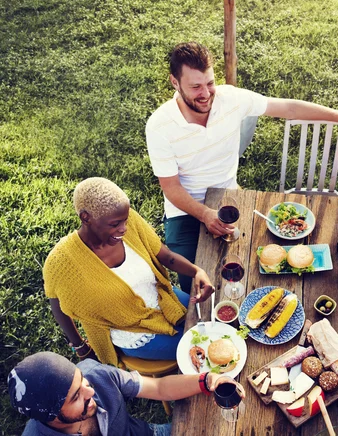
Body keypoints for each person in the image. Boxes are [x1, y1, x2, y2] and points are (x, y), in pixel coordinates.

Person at [146, 41, 338, 292]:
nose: (206, 94)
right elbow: (171, 188)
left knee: (252, 263)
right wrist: (205, 214)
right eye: (195, 87)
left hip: (228, 194)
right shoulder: (159, 126)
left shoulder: (230, 99)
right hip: (184, 209)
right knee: (194, 281)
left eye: (210, 83)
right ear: (175, 83)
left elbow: (289, 107)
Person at [43, 177, 214, 367]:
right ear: (86, 218)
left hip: (164, 299)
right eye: (115, 224)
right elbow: (57, 304)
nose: (124, 228)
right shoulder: (62, 261)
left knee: (213, 325)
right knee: (203, 350)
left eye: (125, 220)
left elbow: (165, 256)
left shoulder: (128, 220)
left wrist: (196, 271)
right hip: (133, 331)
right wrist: (80, 347)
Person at [8, 351, 245, 435]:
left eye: (82, 382)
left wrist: (209, 379)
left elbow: (160, 387)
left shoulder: (96, 374)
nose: (90, 391)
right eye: (75, 397)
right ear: (50, 416)